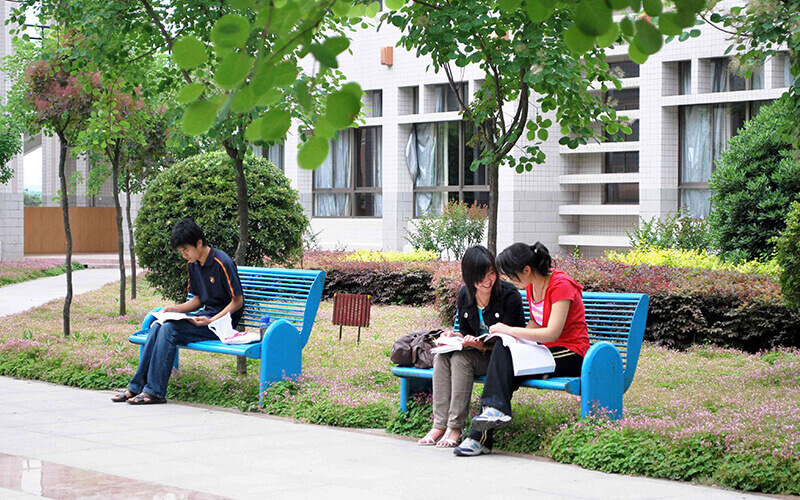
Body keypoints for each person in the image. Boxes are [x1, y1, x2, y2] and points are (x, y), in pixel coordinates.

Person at [454, 242, 589, 456]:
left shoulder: (561, 285)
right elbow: (536, 323)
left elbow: (552, 332)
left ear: (526, 270)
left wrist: (511, 331)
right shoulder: (532, 285)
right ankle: (489, 420)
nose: (509, 280)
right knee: (505, 348)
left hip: (571, 353)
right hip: (547, 351)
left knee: (508, 355)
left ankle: (480, 435)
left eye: (512, 275)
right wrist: (512, 340)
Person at [112, 218, 244, 405]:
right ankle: (136, 387)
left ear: (199, 243)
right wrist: (173, 309)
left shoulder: (222, 262)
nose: (184, 255)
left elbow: (237, 301)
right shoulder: (193, 264)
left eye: (186, 250)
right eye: (181, 251)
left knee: (168, 329)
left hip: (223, 324)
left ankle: (155, 392)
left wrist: (212, 320)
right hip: (204, 318)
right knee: (158, 325)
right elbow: (197, 300)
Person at [417, 245, 525, 448]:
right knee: (442, 357)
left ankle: (455, 427)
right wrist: (452, 335)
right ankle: (439, 424)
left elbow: (514, 340)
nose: (487, 281)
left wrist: (481, 346)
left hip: (501, 359)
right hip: (477, 351)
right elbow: (465, 331)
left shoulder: (508, 295)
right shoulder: (466, 295)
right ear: (469, 276)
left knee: (460, 359)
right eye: (481, 276)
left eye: (491, 273)